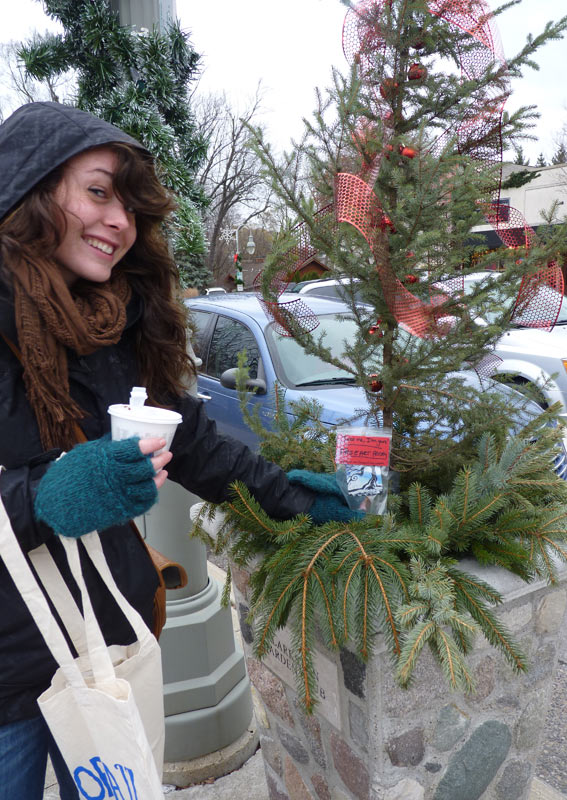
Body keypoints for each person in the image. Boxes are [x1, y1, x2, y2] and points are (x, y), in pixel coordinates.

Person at [0, 102, 356, 799]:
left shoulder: (117, 319)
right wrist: (45, 497)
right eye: (99, 192)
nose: (119, 222)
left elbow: (190, 440)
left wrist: (295, 500)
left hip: (106, 647)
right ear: (29, 191)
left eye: (131, 206)